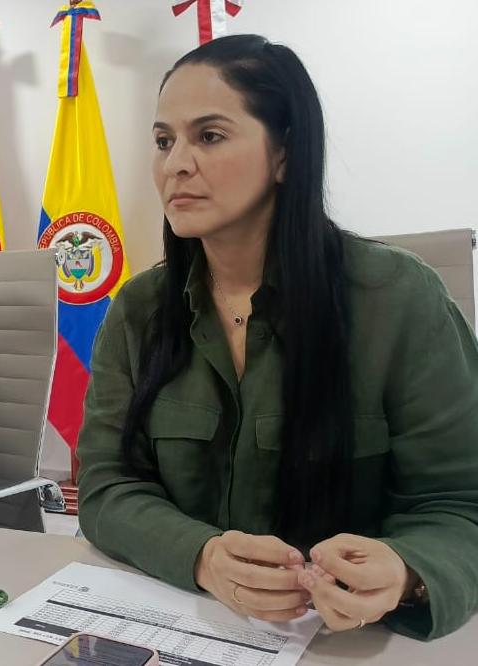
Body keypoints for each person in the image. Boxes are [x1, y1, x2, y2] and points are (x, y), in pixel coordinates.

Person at [77, 35, 478, 640]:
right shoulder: (139, 309)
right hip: (187, 628)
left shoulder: (398, 300)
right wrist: (202, 556)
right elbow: (107, 485)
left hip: (347, 641)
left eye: (208, 136)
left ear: (284, 153)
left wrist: (408, 572)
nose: (174, 164)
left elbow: (461, 501)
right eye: (164, 141)